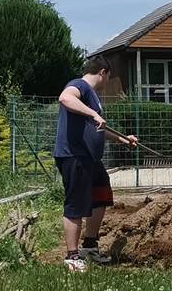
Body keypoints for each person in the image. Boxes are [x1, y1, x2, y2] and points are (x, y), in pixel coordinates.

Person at [54, 59, 137, 273]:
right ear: (103, 72)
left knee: (101, 194)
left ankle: (89, 246)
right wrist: (93, 113)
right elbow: (65, 98)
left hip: (90, 158)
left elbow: (96, 128)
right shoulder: (80, 86)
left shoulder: (92, 97)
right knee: (76, 204)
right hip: (75, 156)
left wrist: (122, 139)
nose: (107, 81)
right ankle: (72, 257)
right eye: (108, 77)